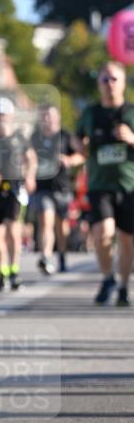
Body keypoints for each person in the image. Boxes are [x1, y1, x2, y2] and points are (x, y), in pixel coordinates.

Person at [76, 62, 134, 306]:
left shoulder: (131, 112)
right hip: (99, 185)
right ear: (98, 83)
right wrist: (81, 147)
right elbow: (78, 139)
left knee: (127, 240)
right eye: (104, 79)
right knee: (103, 234)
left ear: (123, 82)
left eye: (114, 79)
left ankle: (123, 286)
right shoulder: (90, 113)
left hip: (129, 186)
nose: (109, 84)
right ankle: (108, 277)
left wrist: (131, 138)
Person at [0, 97, 37, 291]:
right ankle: (2, 272)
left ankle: (14, 271)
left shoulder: (19, 138)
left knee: (13, 230)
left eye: (4, 115)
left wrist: (29, 176)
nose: (1, 118)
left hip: (14, 188)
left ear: (10, 116)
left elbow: (31, 159)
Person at [30, 104, 84, 274]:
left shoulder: (66, 135)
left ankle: (61, 255)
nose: (47, 119)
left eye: (50, 115)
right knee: (45, 221)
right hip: (42, 187)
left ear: (57, 117)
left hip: (62, 187)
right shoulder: (35, 137)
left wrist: (69, 160)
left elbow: (81, 154)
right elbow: (28, 158)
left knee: (62, 227)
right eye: (44, 116)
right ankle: (46, 256)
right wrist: (29, 175)